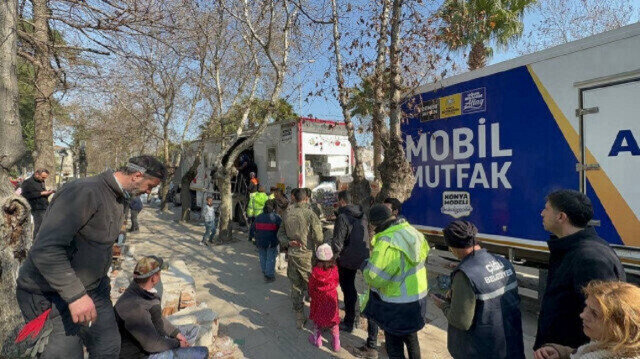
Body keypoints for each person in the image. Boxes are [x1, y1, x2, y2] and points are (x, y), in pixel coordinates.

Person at [16, 155, 166, 358]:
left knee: (109, 347)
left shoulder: (121, 198)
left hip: (93, 289)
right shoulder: (84, 191)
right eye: (150, 185)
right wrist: (76, 296)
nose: (149, 192)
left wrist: (100, 288)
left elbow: (98, 248)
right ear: (137, 175)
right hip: (49, 293)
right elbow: (46, 249)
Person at [534, 190, 625, 350]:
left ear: (561, 217)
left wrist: (572, 353)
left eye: (546, 209)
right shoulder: (568, 249)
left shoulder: (589, 259)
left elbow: (604, 322)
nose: (542, 213)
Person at [431, 220, 525, 359]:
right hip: (511, 345)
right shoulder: (503, 263)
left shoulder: (465, 275)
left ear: (453, 247)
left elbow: (461, 321)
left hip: (481, 350)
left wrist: (443, 305)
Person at [361, 204, 429, 359]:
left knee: (394, 345)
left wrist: (365, 266)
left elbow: (375, 278)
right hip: (417, 299)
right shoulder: (412, 232)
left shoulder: (386, 241)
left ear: (375, 223)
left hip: (396, 304)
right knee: (412, 339)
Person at [115, 256, 209, 359]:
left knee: (193, 330)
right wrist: (177, 344)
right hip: (139, 355)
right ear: (154, 278)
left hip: (150, 342)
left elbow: (157, 318)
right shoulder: (135, 307)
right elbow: (152, 344)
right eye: (159, 273)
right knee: (202, 353)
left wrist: (176, 334)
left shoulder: (140, 291)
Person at [534, 281, 640, 359]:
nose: (582, 315)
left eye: (594, 313)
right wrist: (562, 353)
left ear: (621, 326)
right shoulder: (608, 345)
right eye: (586, 307)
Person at [278, 188, 324, 329]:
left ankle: (299, 316)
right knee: (312, 287)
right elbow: (319, 238)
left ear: (294, 198)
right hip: (307, 257)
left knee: (295, 286)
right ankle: (319, 318)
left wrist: (288, 242)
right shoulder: (310, 214)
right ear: (305, 199)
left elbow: (280, 235)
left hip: (292, 255)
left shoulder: (287, 214)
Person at [330, 191, 370, 335]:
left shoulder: (342, 217)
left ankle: (349, 321)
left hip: (347, 259)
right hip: (363, 257)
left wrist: (332, 259)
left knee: (348, 289)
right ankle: (357, 318)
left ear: (341, 201)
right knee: (356, 289)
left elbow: (337, 242)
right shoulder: (362, 214)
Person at [308, 244, 341, 352]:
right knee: (334, 320)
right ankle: (336, 343)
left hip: (318, 297)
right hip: (331, 296)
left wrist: (311, 295)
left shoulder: (315, 271)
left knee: (317, 318)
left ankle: (317, 340)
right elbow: (336, 281)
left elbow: (311, 286)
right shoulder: (335, 269)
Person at [20, 168, 54, 237]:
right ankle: (36, 243)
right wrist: (41, 193)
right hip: (36, 208)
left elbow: (43, 194)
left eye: (45, 178)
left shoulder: (41, 182)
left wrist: (48, 193)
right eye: (43, 177)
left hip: (45, 206)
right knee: (39, 227)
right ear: (37, 174)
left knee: (46, 226)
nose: (44, 179)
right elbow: (25, 195)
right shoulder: (27, 182)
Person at [254, 200, 282, 282]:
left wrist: (254, 239)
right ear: (273, 208)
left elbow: (253, 229)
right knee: (270, 258)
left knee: (262, 256)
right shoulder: (276, 218)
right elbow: (281, 230)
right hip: (271, 242)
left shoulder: (258, 217)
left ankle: (264, 271)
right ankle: (269, 275)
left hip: (260, 241)